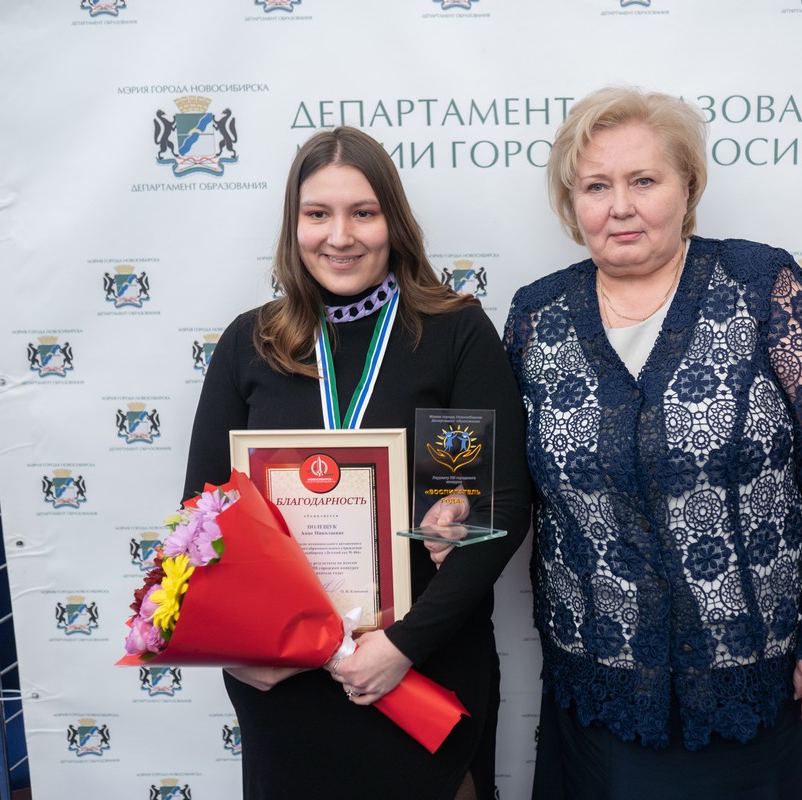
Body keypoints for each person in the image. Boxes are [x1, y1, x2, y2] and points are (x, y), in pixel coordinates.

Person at [503, 87, 802, 799]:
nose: (620, 206)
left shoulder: (761, 285)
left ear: (688, 187)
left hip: (754, 684)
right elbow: (511, 481)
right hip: (602, 689)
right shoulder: (536, 315)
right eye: (596, 186)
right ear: (571, 202)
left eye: (644, 180)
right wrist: (455, 513)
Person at [182, 125, 531, 800]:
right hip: (285, 682)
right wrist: (240, 647)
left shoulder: (455, 332)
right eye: (318, 214)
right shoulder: (250, 343)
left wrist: (403, 647)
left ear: (392, 222)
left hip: (423, 670)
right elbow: (201, 516)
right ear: (294, 226)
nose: (339, 236)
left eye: (363, 213)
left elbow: (501, 511)